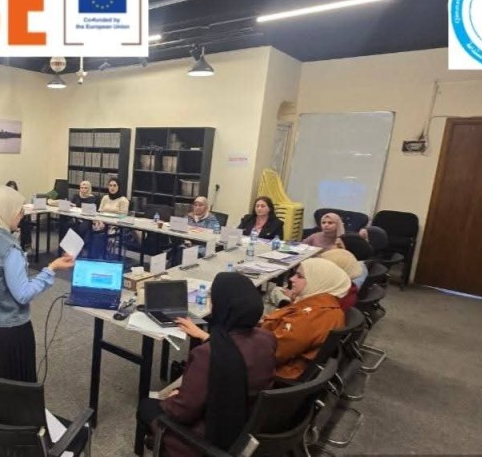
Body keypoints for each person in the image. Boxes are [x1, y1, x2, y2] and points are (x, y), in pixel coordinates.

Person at [137, 273, 276, 457]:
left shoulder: (207, 355)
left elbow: (182, 412)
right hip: (247, 425)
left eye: (212, 298)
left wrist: (172, 398)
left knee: (147, 406)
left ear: (220, 306)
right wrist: (205, 336)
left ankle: (161, 445)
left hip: (208, 439)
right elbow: (236, 354)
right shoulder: (267, 339)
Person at [0, 186, 75, 382]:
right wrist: (51, 268)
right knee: (11, 388)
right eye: (19, 211)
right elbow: (23, 294)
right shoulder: (9, 250)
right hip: (6, 333)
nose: (22, 215)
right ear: (5, 212)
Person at [259, 258, 349, 380]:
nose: (292, 279)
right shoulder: (328, 306)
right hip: (287, 362)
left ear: (317, 281)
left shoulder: (309, 318)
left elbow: (269, 354)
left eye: (299, 276)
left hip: (277, 372)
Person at [89, 178, 130, 259]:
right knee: (88, 229)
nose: (112, 188)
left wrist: (111, 221)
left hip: (115, 225)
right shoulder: (105, 198)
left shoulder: (123, 200)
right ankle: (92, 255)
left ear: (118, 187)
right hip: (102, 223)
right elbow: (100, 212)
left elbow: (123, 216)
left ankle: (99, 256)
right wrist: (100, 221)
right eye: (110, 185)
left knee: (100, 234)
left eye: (114, 185)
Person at [59, 181, 100, 254]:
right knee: (65, 224)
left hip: (87, 219)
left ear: (89, 188)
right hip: (75, 218)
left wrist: (77, 207)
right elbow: (71, 205)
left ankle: (80, 248)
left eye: (85, 188)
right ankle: (67, 248)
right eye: (81, 188)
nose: (83, 190)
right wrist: (70, 205)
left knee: (82, 227)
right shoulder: (76, 196)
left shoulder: (94, 198)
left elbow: (95, 211)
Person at [5, 180, 32, 250]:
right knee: (24, 224)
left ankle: (25, 245)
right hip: (7, 221)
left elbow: (23, 205)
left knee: (26, 222)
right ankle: (26, 244)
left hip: (17, 220)